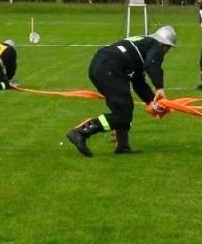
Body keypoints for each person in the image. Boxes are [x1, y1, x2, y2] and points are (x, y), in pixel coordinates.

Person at [65, 26, 178, 157]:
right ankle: (80, 133)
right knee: (122, 115)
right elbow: (152, 64)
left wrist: (153, 102)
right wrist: (159, 87)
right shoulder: (157, 46)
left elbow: (138, 82)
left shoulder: (143, 44)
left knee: (124, 108)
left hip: (100, 65)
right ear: (166, 46)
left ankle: (122, 146)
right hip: (110, 69)